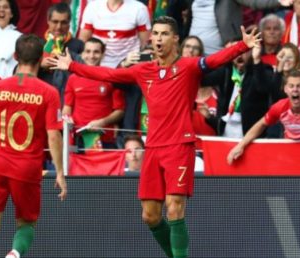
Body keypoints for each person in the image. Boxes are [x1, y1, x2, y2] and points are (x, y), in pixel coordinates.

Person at [51, 15, 260, 258]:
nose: (158, 38)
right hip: (153, 148)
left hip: (180, 146)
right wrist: (73, 66)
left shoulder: (188, 67)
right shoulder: (143, 70)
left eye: (164, 34)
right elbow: (109, 75)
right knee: (149, 216)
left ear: (175, 39)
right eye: (156, 33)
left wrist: (242, 45)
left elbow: (214, 60)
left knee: (174, 208)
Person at [0, 34, 67, 258]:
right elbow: (54, 135)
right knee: (26, 223)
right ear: (41, 58)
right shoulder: (49, 93)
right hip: (27, 167)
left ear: (15, 57)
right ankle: (14, 254)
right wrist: (60, 172)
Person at [227, 69, 300, 164]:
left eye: (299, 86)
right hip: (291, 155)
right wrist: (241, 145)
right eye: (291, 86)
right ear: (285, 89)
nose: (295, 90)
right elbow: (261, 124)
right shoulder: (279, 107)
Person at [62, 37, 125, 150]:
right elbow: (67, 107)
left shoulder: (111, 76)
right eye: (88, 51)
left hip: (105, 137)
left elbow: (120, 111)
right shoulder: (73, 78)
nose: (91, 56)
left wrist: (103, 122)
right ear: (82, 54)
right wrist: (67, 119)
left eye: (96, 52)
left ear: (103, 54)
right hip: (79, 137)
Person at [78, 0, 151, 68]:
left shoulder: (139, 9)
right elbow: (82, 42)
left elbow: (145, 45)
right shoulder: (92, 7)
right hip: (99, 66)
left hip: (129, 65)